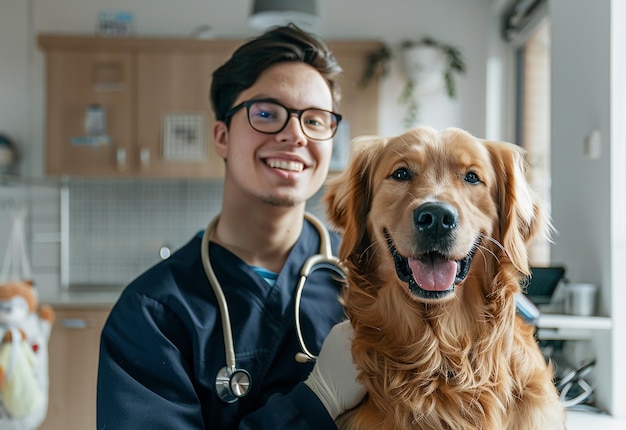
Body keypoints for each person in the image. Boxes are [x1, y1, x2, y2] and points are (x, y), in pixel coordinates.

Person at [96, 24, 365, 429]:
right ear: (222, 136)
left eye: (315, 120)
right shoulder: (153, 313)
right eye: (267, 114)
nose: (294, 135)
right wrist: (316, 401)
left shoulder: (369, 276)